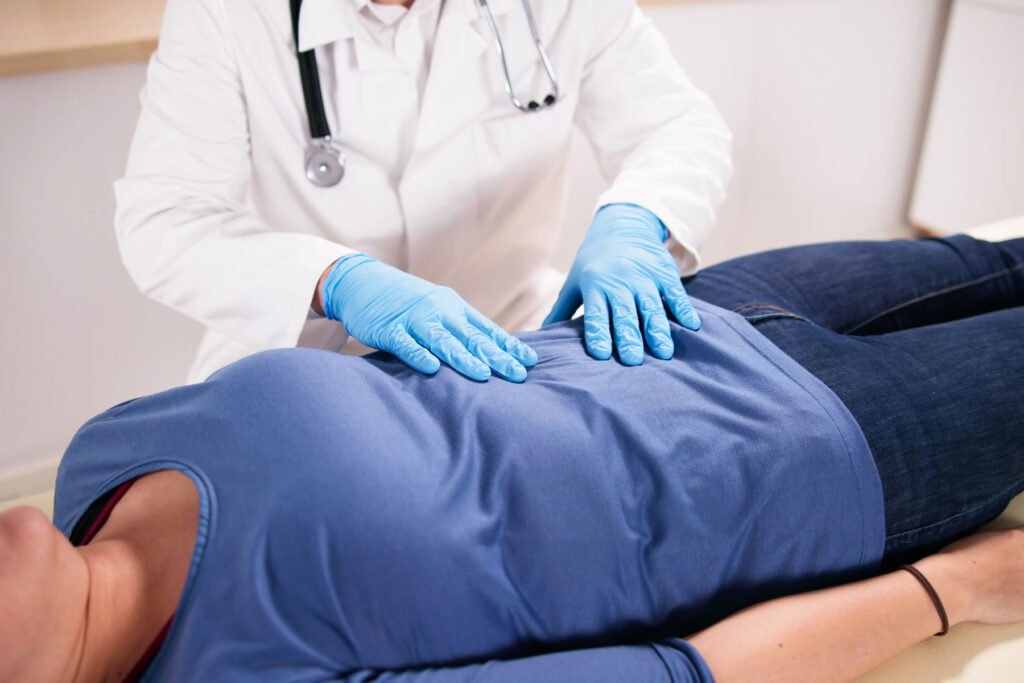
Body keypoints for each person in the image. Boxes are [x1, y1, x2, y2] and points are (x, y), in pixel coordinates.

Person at [3, 235, 1023, 681]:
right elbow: (691, 671)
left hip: (680, 313)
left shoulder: (102, 455)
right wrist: (963, 587)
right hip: (834, 447)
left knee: (999, 254)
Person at [113, 0, 732, 383]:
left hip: (508, 327)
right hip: (303, 351)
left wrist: (635, 217)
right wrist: (336, 279)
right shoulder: (227, 9)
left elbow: (676, 124)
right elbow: (167, 215)